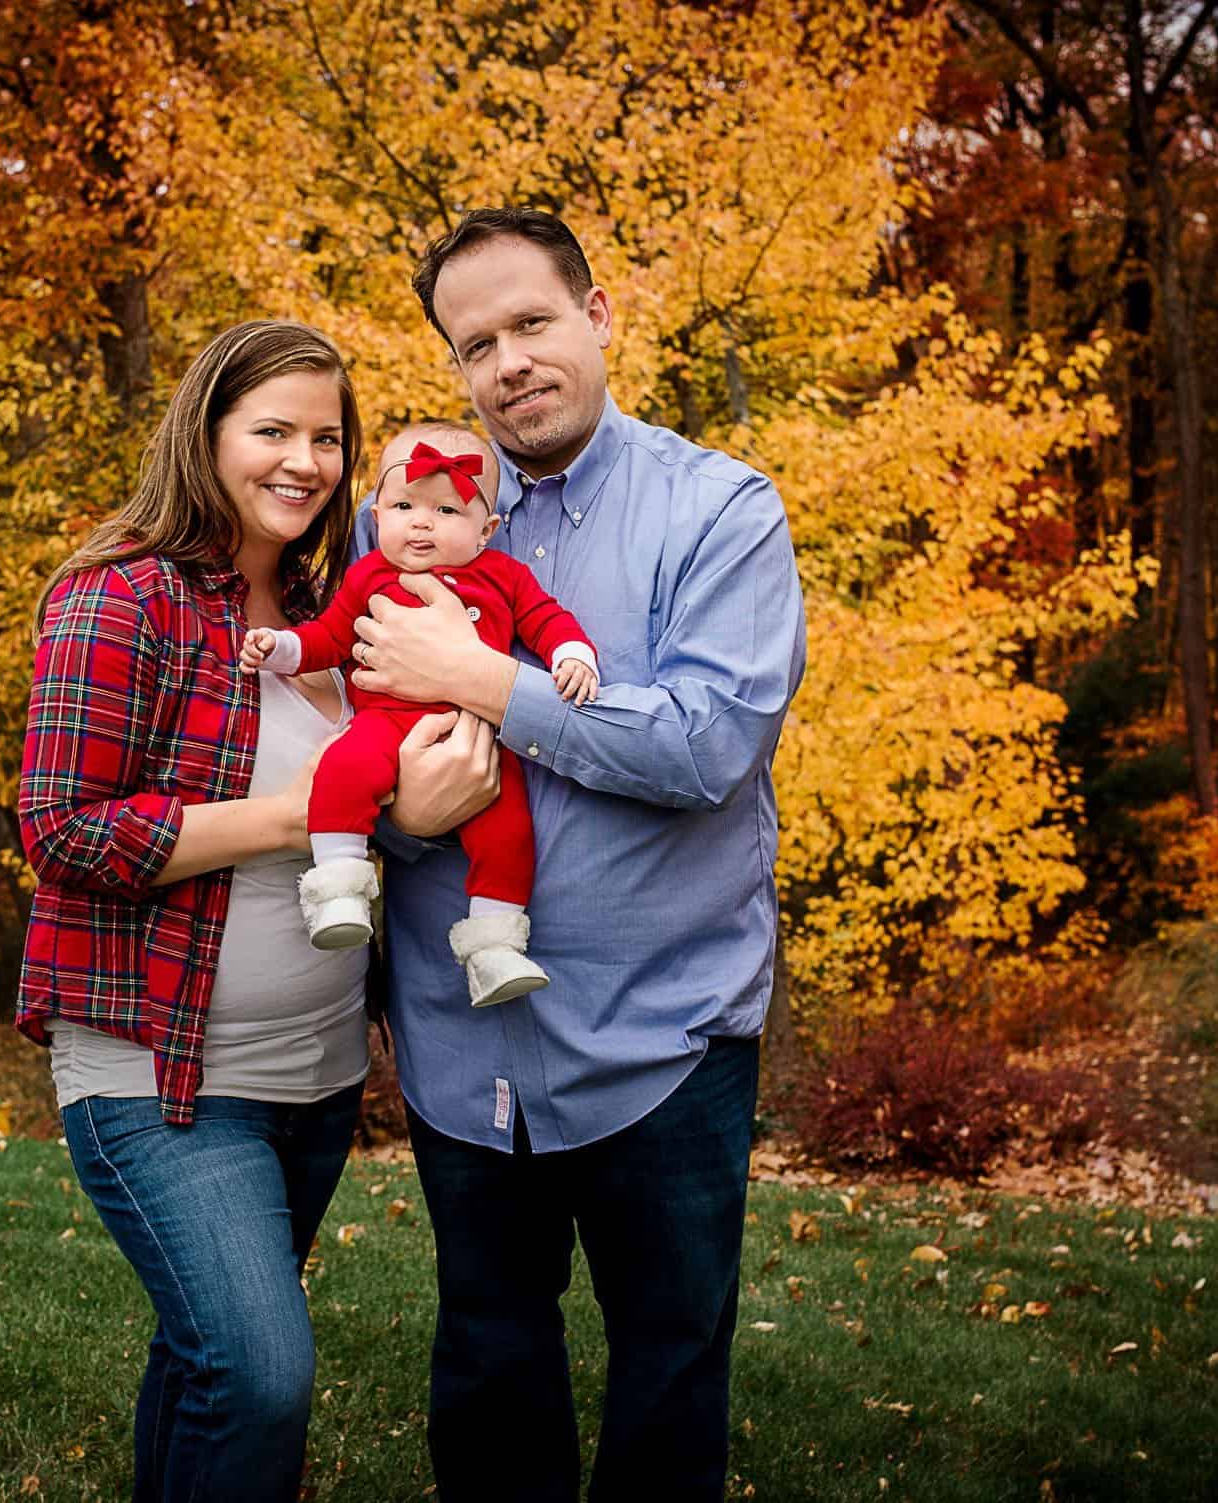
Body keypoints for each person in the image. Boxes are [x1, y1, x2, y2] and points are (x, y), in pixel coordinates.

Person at [348, 209, 809, 1500]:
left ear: (598, 316)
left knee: (669, 1374)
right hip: (460, 1041)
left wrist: (488, 681)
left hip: (663, 1038)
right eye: (475, 341)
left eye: (532, 323)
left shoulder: (718, 510)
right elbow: (350, 756)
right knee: (489, 1367)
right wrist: (403, 816)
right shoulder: (402, 523)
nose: (508, 362)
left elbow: (709, 743)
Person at [15, 319, 385, 1503]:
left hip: (315, 1082)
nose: (304, 460)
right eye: (271, 429)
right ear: (206, 434)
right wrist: (293, 815)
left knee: (204, 1359)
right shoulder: (122, 596)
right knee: (261, 1374)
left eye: (326, 436)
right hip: (160, 1074)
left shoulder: (338, 617)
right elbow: (62, 829)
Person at [238, 421, 599, 1008]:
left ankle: (494, 947)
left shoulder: (504, 577)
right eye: (405, 506)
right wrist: (280, 648)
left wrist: (572, 653)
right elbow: (329, 638)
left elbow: (546, 617)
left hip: (479, 732)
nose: (423, 522)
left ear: (486, 532)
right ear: (377, 517)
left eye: (447, 511)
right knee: (343, 768)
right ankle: (339, 886)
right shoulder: (367, 576)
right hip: (384, 723)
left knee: (510, 830)